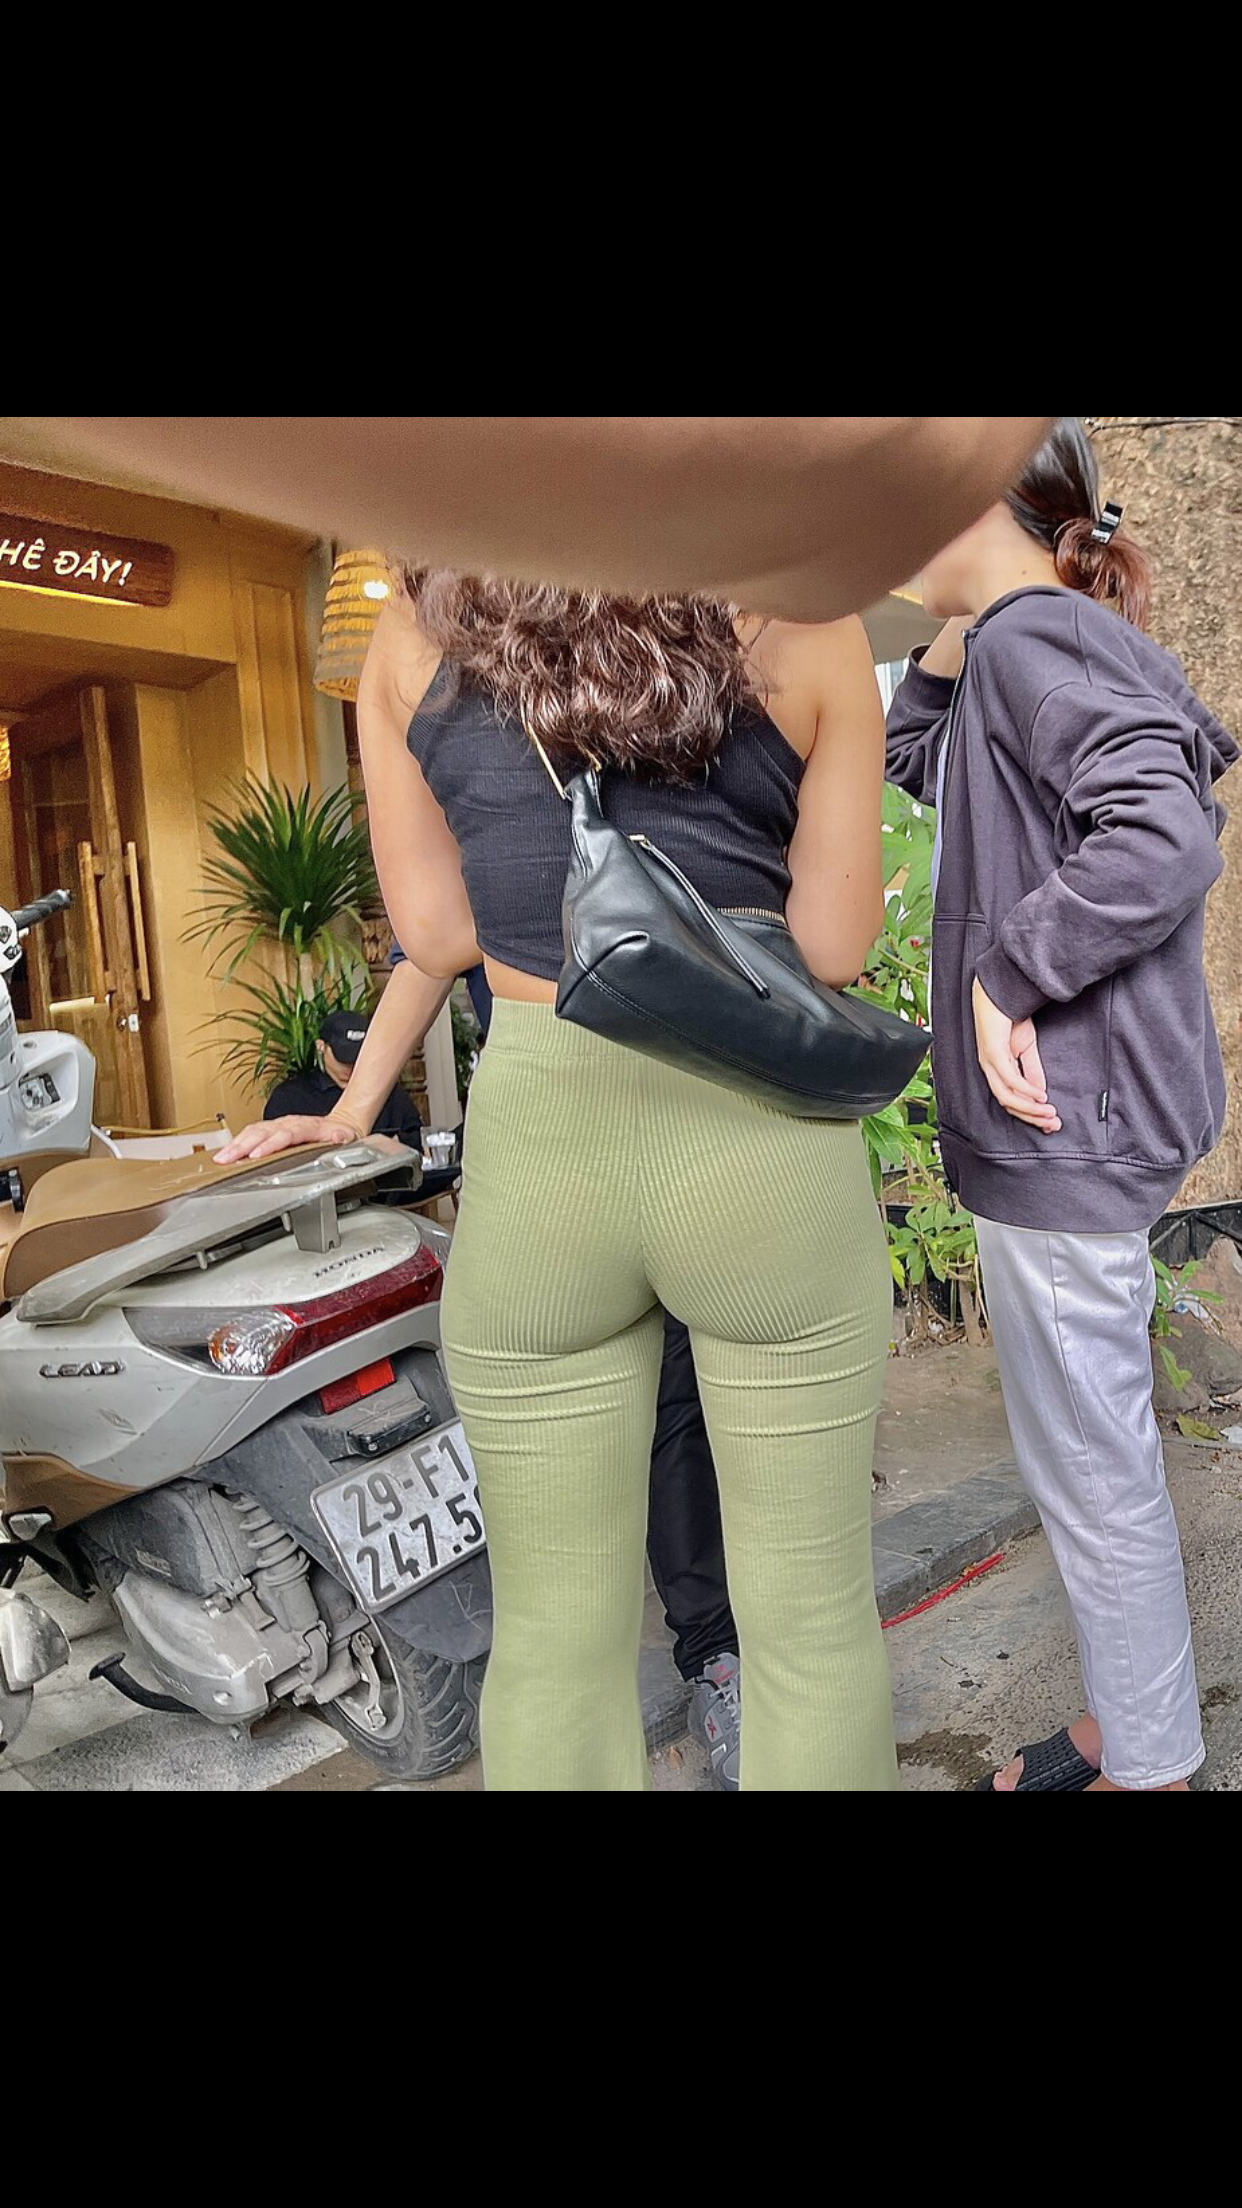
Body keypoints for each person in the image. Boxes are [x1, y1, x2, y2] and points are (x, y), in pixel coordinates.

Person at [224, 572, 892, 1791]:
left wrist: (361, 1099)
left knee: (552, 1642)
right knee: (812, 1629)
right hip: (760, 1144)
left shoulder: (414, 629)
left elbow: (439, 934)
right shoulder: (803, 609)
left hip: (540, 1155)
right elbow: (837, 946)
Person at [886, 417, 1238, 1795]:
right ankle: (1124, 1724)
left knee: (1092, 1475)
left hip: (1062, 1121)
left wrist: (1005, 976)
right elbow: (920, 761)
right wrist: (951, 628)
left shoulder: (1034, 641)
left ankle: (1148, 1767)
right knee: (1087, 1460)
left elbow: (1162, 835)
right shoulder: (1014, 645)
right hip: (1080, 1118)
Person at [227, 947, 748, 1786]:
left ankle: (716, 1657)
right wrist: (351, 1113)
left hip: (689, 1136)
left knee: (681, 1423)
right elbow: (432, 944)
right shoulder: (480, 863)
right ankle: (613, 1703)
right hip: (541, 1164)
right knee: (559, 1463)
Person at [5, 417, 1052, 624]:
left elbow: (431, 928)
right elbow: (890, 459)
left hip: (536, 1084)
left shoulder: (415, 650)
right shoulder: (792, 631)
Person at [261, 1006, 423, 1146]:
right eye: (343, 1060)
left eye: (358, 1059)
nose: (350, 1068)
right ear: (321, 1046)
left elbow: (419, 1138)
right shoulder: (290, 1097)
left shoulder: (388, 1091)